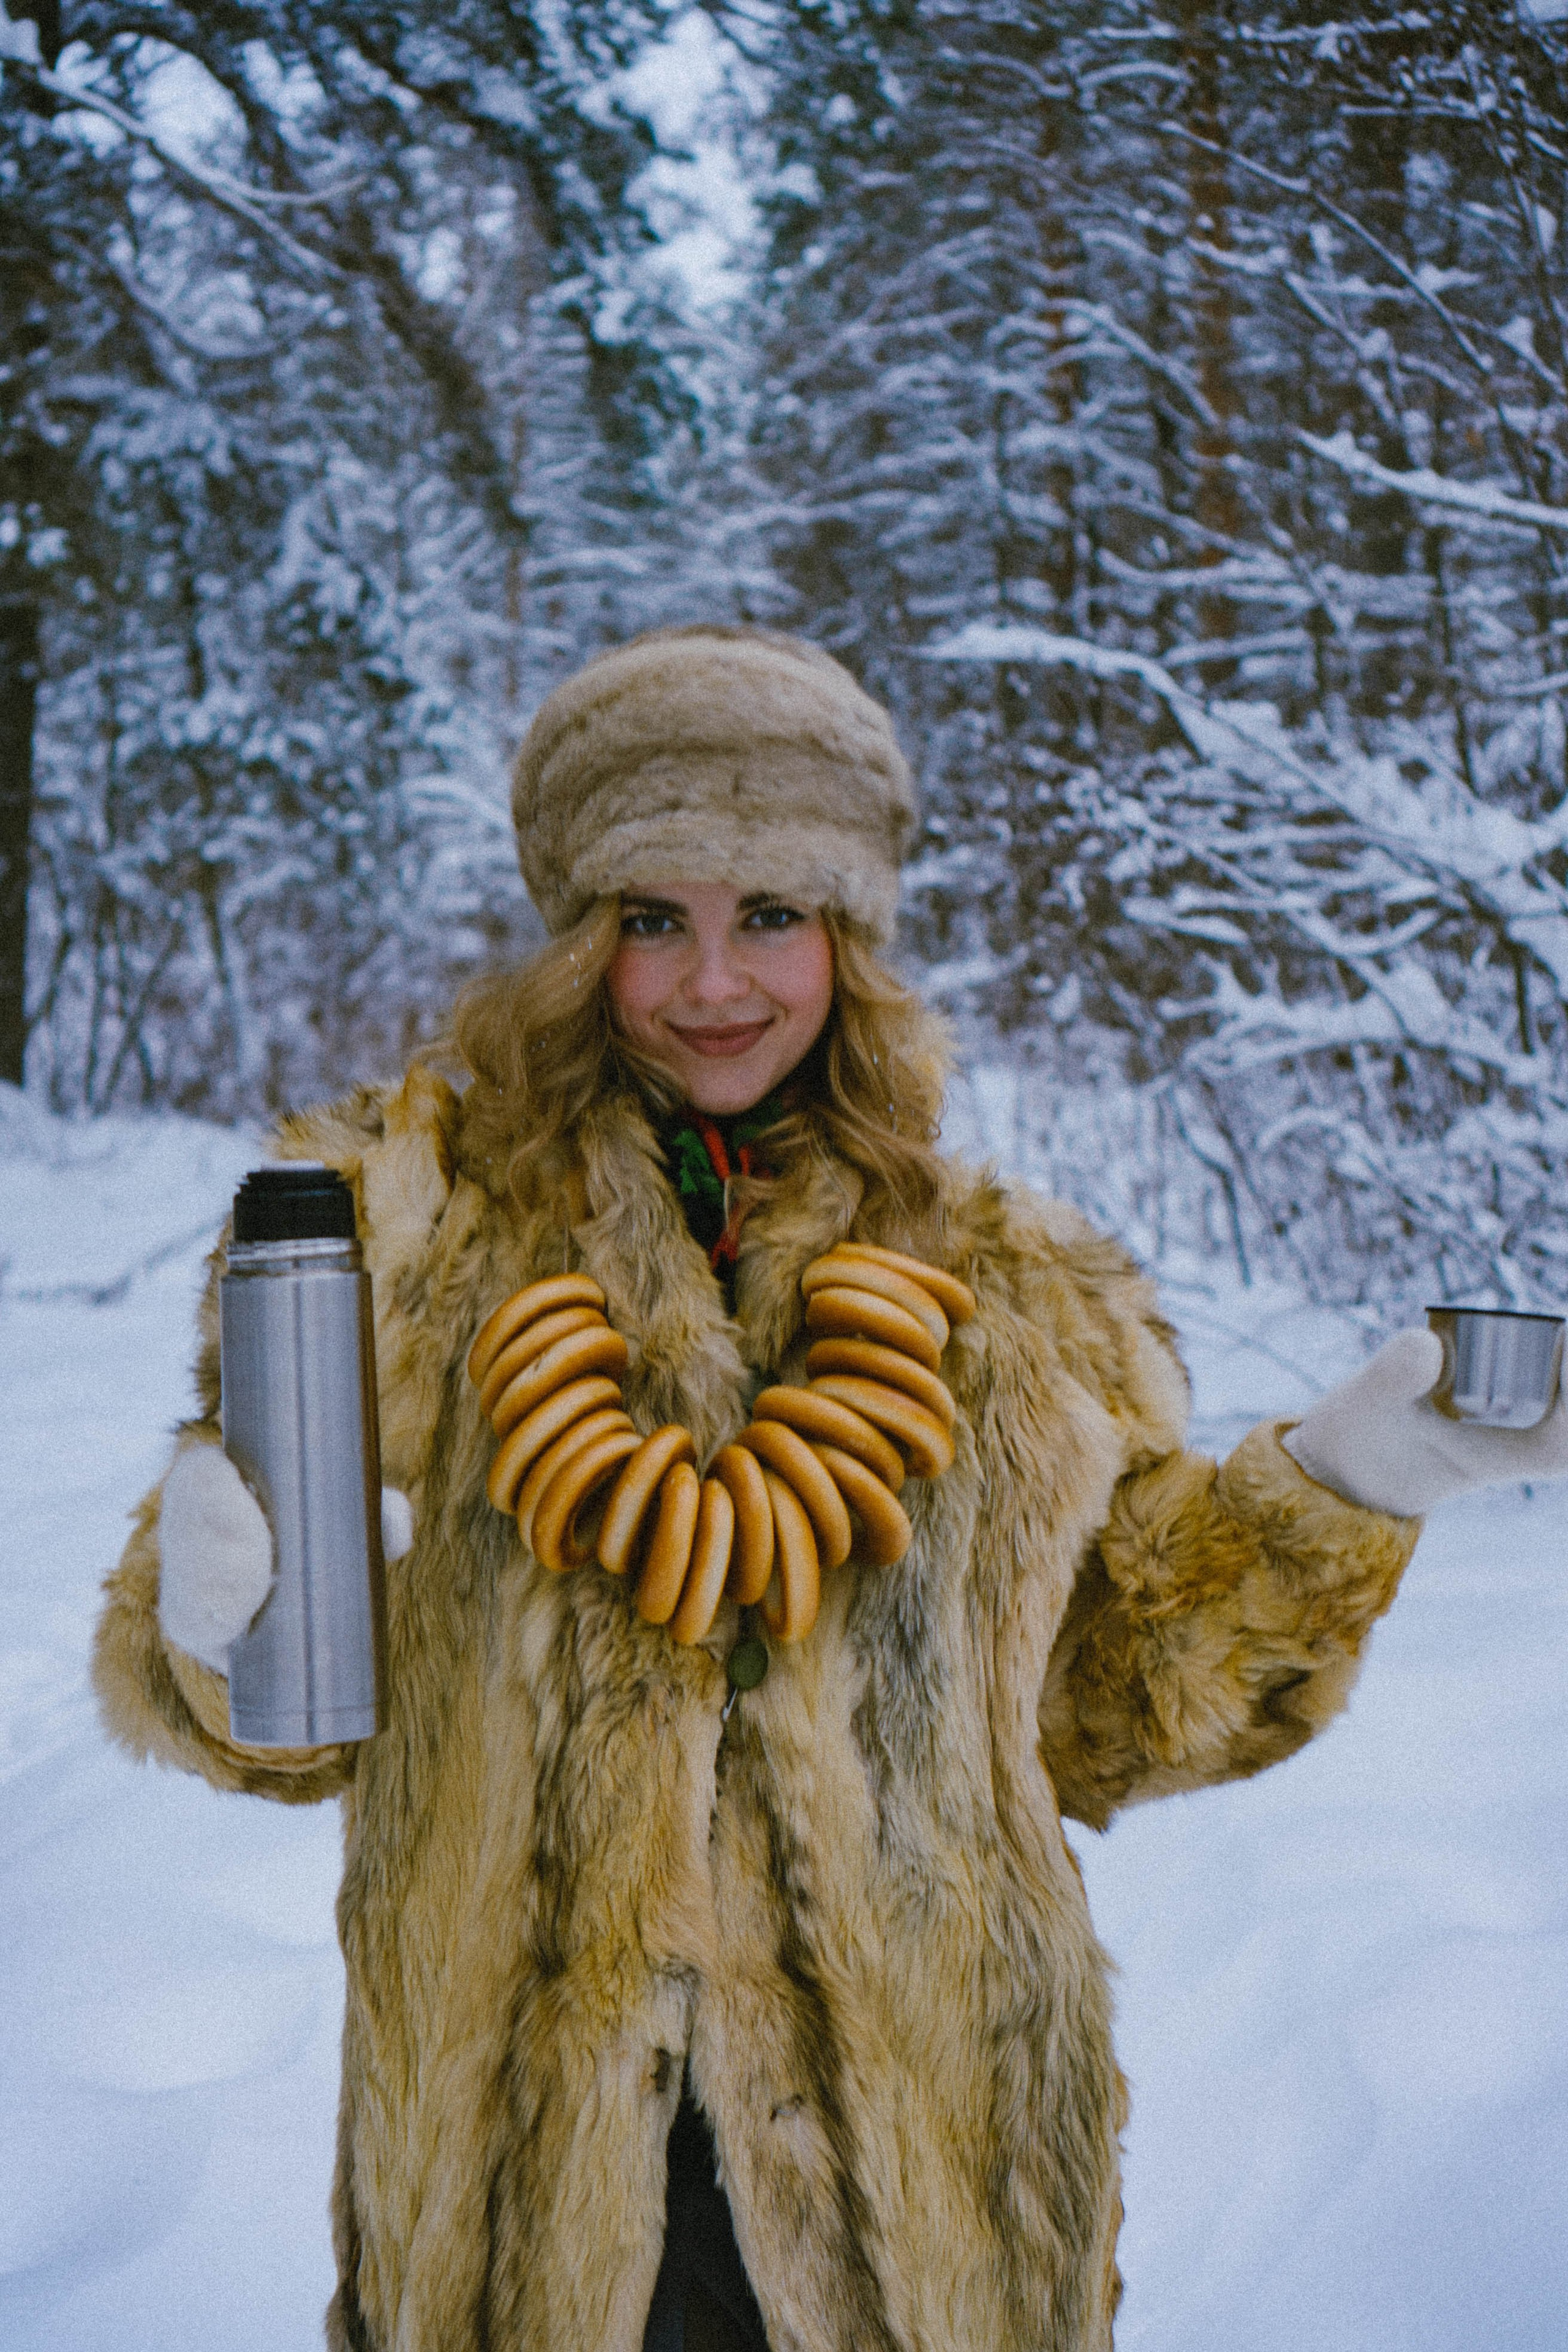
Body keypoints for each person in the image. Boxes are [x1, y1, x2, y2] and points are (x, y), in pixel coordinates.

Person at [93, 627, 1568, 2352]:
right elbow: (280, 1720)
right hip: (524, 2206)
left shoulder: (1012, 1294)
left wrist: (1336, 1492)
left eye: (770, 916)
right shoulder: (401, 1254)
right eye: (655, 918)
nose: (714, 981)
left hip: (929, 2203)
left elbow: (1105, 1713)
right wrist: (215, 1622)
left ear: (849, 938)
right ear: (579, 943)